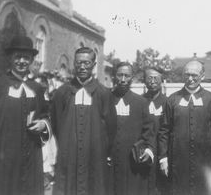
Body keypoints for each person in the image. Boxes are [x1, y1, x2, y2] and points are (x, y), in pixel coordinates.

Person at [51, 47, 117, 195]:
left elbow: (111, 128)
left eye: (86, 63)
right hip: (69, 156)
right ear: (74, 64)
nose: (82, 67)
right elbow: (56, 123)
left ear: (94, 65)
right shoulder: (62, 92)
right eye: (79, 63)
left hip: (95, 155)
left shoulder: (104, 94)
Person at [0, 36, 51, 195]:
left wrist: (43, 124)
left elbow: (46, 115)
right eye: (17, 57)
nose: (21, 61)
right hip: (4, 153)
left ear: (31, 60)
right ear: (10, 58)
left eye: (26, 58)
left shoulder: (37, 88)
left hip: (31, 154)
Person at [158, 60, 211, 195]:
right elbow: (164, 130)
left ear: (202, 76)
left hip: (204, 161)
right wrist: (163, 158)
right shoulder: (172, 99)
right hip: (178, 160)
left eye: (194, 75)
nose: (190, 79)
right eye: (187, 75)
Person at [111, 62, 155, 195]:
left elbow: (149, 131)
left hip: (133, 161)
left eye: (127, 76)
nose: (123, 79)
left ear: (132, 78)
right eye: (120, 75)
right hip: (110, 161)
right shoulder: (106, 99)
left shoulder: (141, 102)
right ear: (114, 76)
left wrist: (148, 150)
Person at [142, 67, 168, 195]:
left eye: (155, 78)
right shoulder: (139, 101)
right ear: (144, 81)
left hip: (163, 154)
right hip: (145, 153)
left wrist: (164, 155)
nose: (152, 81)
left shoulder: (168, 102)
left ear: (161, 81)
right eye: (149, 78)